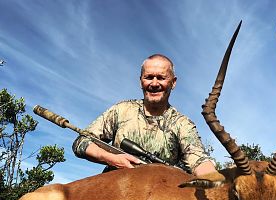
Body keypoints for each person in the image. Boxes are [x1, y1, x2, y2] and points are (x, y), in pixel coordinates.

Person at [73, 54, 216, 177]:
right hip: (113, 190)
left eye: (161, 78)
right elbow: (81, 142)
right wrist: (110, 158)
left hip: (159, 196)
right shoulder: (121, 110)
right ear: (141, 81)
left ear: (173, 83)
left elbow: (199, 160)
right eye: (149, 77)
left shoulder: (182, 123)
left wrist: (215, 179)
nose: (154, 83)